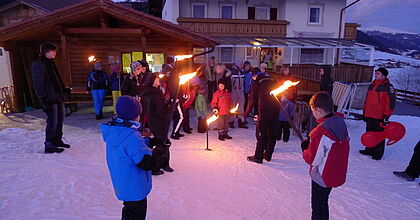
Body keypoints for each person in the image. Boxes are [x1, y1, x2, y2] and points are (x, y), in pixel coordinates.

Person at [100, 96, 152, 220]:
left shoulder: (117, 131)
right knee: (137, 214)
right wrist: (158, 155)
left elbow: (128, 148)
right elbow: (145, 162)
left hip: (124, 183)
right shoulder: (131, 136)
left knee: (129, 209)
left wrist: (149, 142)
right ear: (134, 116)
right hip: (135, 186)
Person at [301, 91, 350, 220]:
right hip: (335, 172)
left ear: (318, 110)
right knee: (323, 203)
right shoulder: (338, 122)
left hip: (322, 176)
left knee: (318, 206)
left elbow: (312, 159)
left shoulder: (321, 132)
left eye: (312, 110)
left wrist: (305, 149)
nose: (313, 113)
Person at [32, 42, 70, 153]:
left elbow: (56, 79)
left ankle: (57, 140)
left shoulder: (51, 63)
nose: (55, 53)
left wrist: (63, 90)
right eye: (52, 51)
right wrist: (43, 97)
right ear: (46, 52)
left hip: (57, 96)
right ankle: (49, 144)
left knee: (59, 120)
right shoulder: (39, 65)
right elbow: (38, 83)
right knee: (52, 121)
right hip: (49, 98)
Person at [360, 67, 396, 160]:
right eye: (376, 73)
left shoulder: (388, 87)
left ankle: (377, 154)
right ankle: (369, 150)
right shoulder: (372, 85)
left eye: (378, 73)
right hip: (369, 114)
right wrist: (364, 112)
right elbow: (367, 100)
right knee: (369, 133)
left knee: (380, 135)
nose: (376, 75)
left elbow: (391, 103)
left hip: (380, 116)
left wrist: (386, 115)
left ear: (384, 76)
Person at [245, 70, 279, 163]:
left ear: (254, 76)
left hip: (264, 110)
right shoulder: (272, 80)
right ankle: (268, 155)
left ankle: (258, 157)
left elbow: (252, 99)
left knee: (261, 132)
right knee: (272, 133)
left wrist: (247, 112)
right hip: (276, 109)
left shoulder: (257, 82)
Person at [142, 74, 174, 175]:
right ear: (152, 81)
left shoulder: (152, 92)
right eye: (156, 78)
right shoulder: (154, 94)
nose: (158, 79)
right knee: (162, 143)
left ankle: (164, 163)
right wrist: (170, 106)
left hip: (155, 122)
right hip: (158, 122)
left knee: (163, 142)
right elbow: (160, 111)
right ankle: (155, 167)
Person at [229, 58, 248, 129]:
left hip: (241, 91)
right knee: (232, 106)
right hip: (233, 91)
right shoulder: (231, 71)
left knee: (241, 106)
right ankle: (231, 121)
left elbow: (244, 82)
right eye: (241, 64)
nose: (242, 65)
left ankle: (241, 121)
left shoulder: (242, 71)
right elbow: (228, 82)